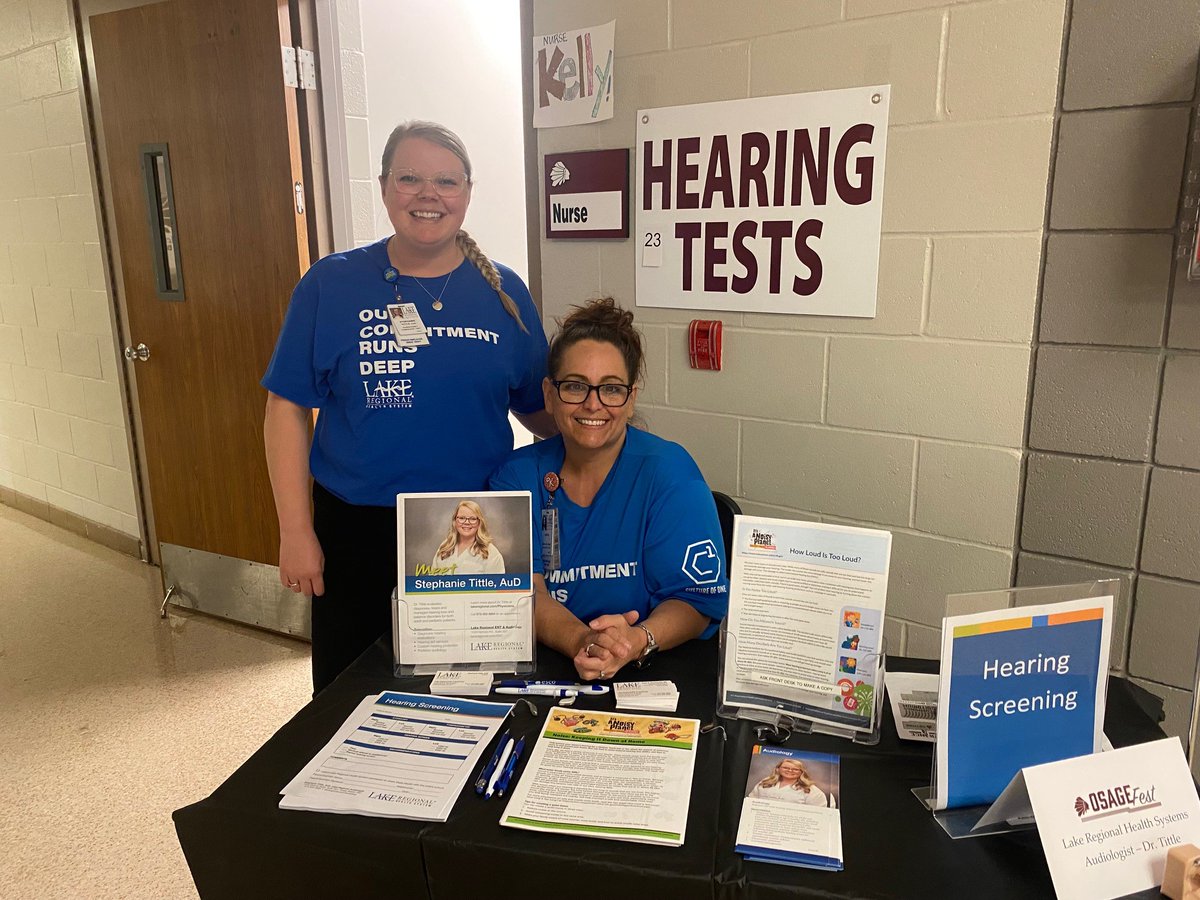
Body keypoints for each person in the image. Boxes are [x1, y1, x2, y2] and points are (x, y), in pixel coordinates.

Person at [262, 121, 554, 693]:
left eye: (446, 181)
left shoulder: (504, 293)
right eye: (410, 178)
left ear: (467, 192)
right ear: (384, 187)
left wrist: (605, 454)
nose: (428, 194)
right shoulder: (331, 285)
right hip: (358, 527)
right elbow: (286, 408)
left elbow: (539, 409)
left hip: (478, 527)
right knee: (352, 696)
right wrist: (295, 530)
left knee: (470, 691)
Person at [489, 298, 729, 681]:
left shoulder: (668, 472)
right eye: (575, 386)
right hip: (549, 665)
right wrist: (583, 641)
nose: (593, 404)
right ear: (549, 395)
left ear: (630, 400)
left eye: (611, 389)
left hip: (654, 664)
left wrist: (635, 640)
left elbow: (696, 601)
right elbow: (525, 594)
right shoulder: (515, 478)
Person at [430, 500, 505, 575]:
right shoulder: (445, 546)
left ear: (479, 523)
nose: (466, 522)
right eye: (462, 518)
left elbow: (497, 584)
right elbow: (432, 581)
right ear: (455, 521)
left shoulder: (491, 552)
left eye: (472, 519)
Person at [748, 758, 830, 806]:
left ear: (802, 772)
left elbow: (818, 814)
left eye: (795, 769)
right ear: (778, 769)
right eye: (785, 768)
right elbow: (751, 801)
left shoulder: (812, 791)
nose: (790, 771)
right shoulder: (765, 782)